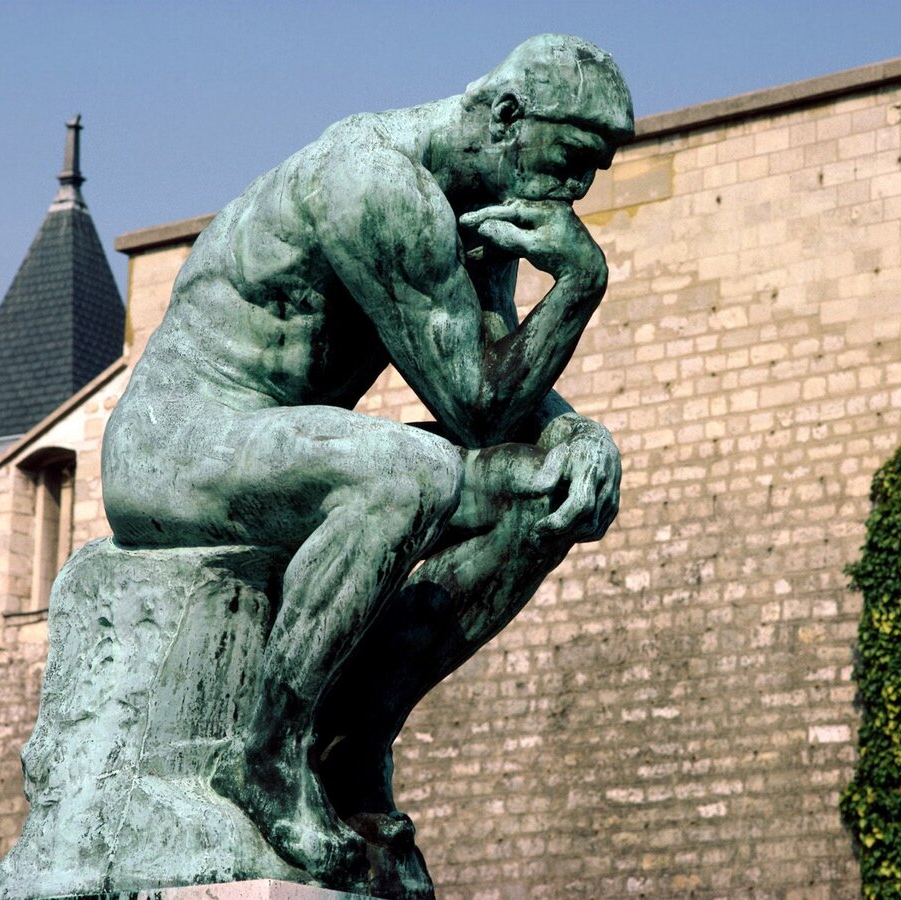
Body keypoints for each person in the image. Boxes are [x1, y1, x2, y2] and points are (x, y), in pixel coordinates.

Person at [102, 33, 634, 881]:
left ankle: (351, 742)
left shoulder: (480, 214)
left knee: (545, 490)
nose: (577, 190)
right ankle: (266, 756)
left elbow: (503, 381)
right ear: (507, 116)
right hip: (177, 446)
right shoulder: (377, 182)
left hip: (278, 448)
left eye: (594, 172)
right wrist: (579, 285)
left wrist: (575, 436)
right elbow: (475, 406)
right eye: (570, 159)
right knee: (405, 472)